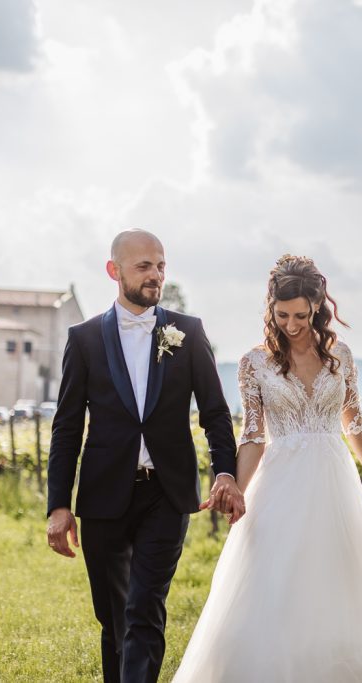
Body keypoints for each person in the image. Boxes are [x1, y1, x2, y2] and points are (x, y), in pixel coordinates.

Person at [173, 255, 362, 682]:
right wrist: (235, 487)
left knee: (341, 588)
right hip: (280, 486)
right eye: (283, 315)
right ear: (270, 308)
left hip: (334, 485)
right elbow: (253, 435)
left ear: (318, 308)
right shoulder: (255, 363)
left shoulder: (339, 355)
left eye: (301, 315)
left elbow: (355, 425)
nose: (292, 324)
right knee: (275, 587)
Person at [46, 229, 245, 683]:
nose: (155, 275)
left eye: (160, 266)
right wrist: (59, 504)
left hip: (167, 493)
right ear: (114, 271)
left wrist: (225, 472)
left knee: (144, 609)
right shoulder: (84, 339)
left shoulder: (188, 333)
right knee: (113, 618)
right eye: (144, 266)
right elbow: (67, 427)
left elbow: (215, 412)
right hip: (102, 495)